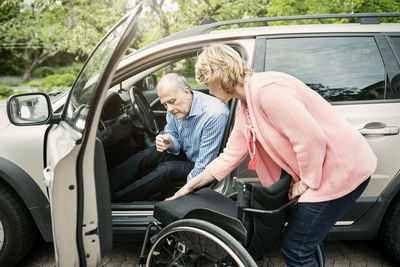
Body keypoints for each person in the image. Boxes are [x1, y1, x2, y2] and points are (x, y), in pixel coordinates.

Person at [167, 44, 377, 266]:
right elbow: (230, 156)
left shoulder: (267, 90)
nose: (208, 90)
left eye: (207, 83)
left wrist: (305, 181)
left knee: (296, 249)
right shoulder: (244, 105)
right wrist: (188, 188)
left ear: (219, 76)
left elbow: (311, 138)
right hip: (325, 173)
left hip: (341, 170)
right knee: (305, 242)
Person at [108, 73, 229, 202]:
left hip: (201, 164)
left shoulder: (214, 114)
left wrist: (185, 192)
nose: (169, 109)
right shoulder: (174, 107)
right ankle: (106, 184)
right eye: (165, 105)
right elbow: (172, 132)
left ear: (187, 92)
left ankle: (115, 200)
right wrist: (170, 142)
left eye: (171, 102)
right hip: (187, 153)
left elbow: (204, 166)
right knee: (148, 154)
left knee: (167, 169)